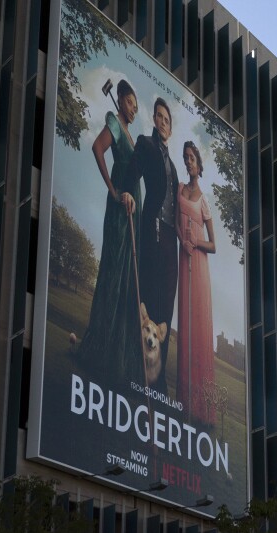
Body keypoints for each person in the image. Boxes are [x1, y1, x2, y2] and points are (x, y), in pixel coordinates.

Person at [79, 79, 143, 384]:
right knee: (114, 274)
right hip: (120, 211)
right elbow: (97, 148)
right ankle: (100, 352)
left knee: (127, 278)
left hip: (133, 211)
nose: (133, 109)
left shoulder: (127, 132)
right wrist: (113, 189)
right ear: (120, 98)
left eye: (135, 106)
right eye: (130, 102)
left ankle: (118, 357)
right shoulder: (115, 124)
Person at [125, 97, 179, 394]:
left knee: (166, 307)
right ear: (154, 120)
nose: (162, 121)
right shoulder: (145, 144)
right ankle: (138, 370)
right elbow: (133, 172)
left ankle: (158, 380)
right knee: (149, 299)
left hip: (172, 240)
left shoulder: (174, 166)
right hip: (152, 229)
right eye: (159, 116)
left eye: (166, 119)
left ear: (170, 128)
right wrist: (127, 192)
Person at [176, 141, 217, 425]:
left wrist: (195, 242)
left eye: (192, 158)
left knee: (199, 327)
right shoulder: (179, 189)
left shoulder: (203, 200)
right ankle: (183, 402)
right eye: (186, 158)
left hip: (199, 265)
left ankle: (201, 408)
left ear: (199, 166)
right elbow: (177, 223)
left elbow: (214, 245)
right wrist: (183, 240)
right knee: (185, 323)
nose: (189, 161)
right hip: (184, 259)